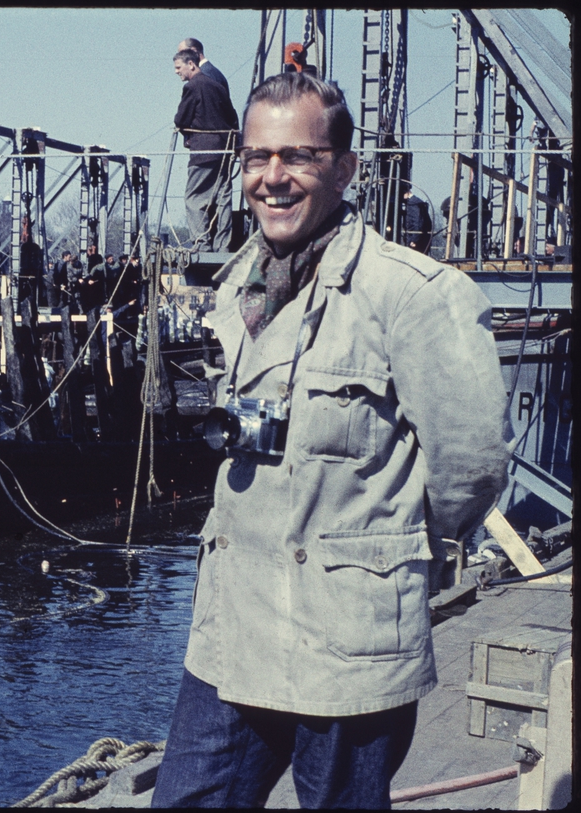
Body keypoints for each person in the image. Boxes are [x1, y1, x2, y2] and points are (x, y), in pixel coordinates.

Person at [151, 71, 511, 809]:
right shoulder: (240, 287)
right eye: (256, 157)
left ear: (344, 169)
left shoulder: (411, 294)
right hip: (234, 631)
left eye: (298, 156)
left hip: (348, 637)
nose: (272, 177)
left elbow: (471, 466)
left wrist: (386, 555)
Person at [174, 48, 239, 252]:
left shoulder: (192, 86)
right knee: (223, 198)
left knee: (194, 198)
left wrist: (187, 131)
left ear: (191, 64)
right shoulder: (217, 86)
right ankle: (223, 246)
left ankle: (201, 244)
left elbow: (181, 119)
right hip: (225, 150)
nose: (176, 72)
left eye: (178, 67)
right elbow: (233, 117)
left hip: (203, 151)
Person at [403, 189, 432, 254]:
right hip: (420, 237)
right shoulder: (418, 203)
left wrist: (414, 239)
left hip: (415, 238)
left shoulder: (413, 204)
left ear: (407, 193)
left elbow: (417, 222)